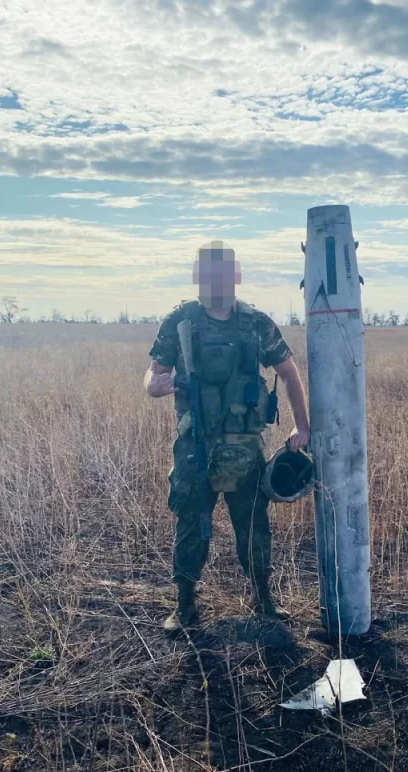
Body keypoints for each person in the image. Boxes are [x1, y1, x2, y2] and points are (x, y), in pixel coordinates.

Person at [144, 240, 310, 633]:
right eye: (208, 273)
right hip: (194, 447)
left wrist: (302, 426)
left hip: (244, 447)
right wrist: (156, 385)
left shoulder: (256, 323)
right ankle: (184, 605)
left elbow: (288, 373)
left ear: (235, 276)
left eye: (223, 272)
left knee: (254, 527)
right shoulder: (179, 321)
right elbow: (152, 373)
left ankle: (264, 600)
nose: (216, 280)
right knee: (190, 526)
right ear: (197, 277)